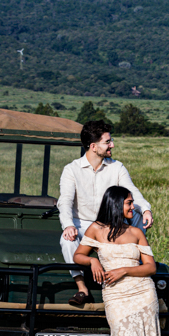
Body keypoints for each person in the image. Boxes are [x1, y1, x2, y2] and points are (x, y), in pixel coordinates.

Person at [57, 119, 154, 306]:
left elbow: (131, 192)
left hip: (110, 223)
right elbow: (65, 201)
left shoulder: (116, 167)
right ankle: (82, 288)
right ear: (93, 146)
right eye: (107, 142)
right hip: (83, 223)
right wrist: (68, 225)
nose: (112, 145)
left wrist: (146, 209)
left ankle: (132, 268)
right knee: (66, 239)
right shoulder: (72, 170)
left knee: (140, 218)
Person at [73, 185, 162, 336]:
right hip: (116, 296)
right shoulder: (96, 229)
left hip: (142, 292)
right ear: (115, 204)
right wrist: (93, 261)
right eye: (129, 203)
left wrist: (124, 270)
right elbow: (78, 255)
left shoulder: (136, 232)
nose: (133, 207)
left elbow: (151, 268)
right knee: (125, 333)